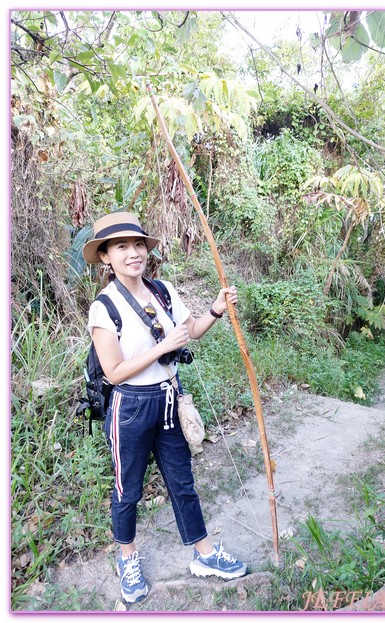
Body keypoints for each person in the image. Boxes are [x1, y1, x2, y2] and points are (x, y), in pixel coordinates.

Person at [82, 212, 247, 604]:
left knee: (182, 482)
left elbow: (189, 332)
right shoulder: (104, 308)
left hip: (170, 398)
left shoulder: (163, 290)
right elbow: (115, 371)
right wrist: (162, 347)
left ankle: (205, 554)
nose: (134, 253)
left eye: (138, 244)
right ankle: (128, 559)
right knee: (128, 490)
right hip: (131, 408)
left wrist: (217, 308)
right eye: (121, 247)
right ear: (105, 257)